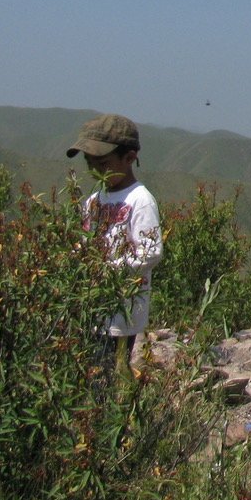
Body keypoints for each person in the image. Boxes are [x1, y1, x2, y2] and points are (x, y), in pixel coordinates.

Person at [66, 113, 163, 378]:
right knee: (92, 372)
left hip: (122, 311)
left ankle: (112, 417)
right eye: (90, 163)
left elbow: (150, 251)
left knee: (109, 374)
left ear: (129, 158)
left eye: (103, 163)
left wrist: (108, 270)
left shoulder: (140, 200)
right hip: (94, 306)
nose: (95, 171)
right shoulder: (94, 200)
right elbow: (85, 242)